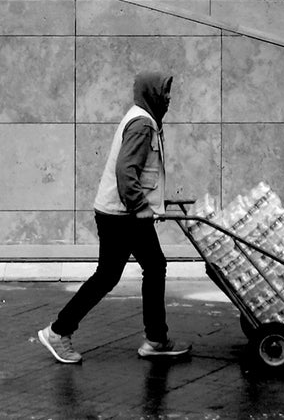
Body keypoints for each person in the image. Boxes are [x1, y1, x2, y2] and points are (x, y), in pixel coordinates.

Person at [38, 71, 190, 364]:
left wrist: (153, 201)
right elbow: (126, 171)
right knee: (130, 272)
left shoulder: (142, 119)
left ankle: (155, 338)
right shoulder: (142, 125)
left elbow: (138, 173)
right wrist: (140, 206)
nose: (170, 98)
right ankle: (59, 332)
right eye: (166, 92)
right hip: (123, 215)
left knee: (137, 270)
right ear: (152, 93)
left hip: (119, 212)